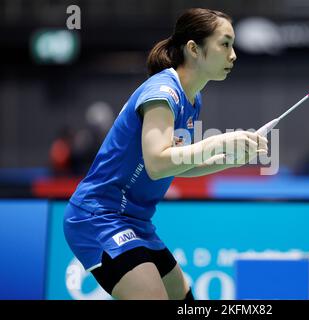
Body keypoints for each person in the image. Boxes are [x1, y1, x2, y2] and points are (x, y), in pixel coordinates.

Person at [63, 8, 268, 300]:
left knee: (183, 300)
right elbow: (158, 162)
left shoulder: (192, 99)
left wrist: (227, 160)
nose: (233, 54)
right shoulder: (162, 92)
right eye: (225, 44)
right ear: (194, 49)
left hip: (136, 221)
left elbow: (177, 163)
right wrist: (223, 141)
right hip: (99, 216)